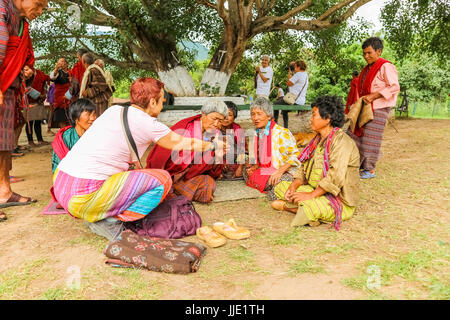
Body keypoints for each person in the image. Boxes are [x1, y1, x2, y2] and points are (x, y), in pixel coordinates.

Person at [52, 78, 226, 235]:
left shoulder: (113, 111)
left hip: (61, 184)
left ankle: (101, 211)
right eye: (161, 101)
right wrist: (213, 145)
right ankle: (111, 220)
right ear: (152, 102)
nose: (163, 105)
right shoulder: (148, 123)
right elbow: (184, 143)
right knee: (163, 179)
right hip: (83, 196)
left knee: (140, 174)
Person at [271, 96, 360, 230]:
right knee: (280, 187)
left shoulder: (342, 142)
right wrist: (294, 186)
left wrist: (310, 196)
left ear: (327, 118)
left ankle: (289, 207)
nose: (310, 119)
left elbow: (335, 177)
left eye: (314, 115)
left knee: (309, 209)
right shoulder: (317, 140)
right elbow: (303, 169)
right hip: (315, 190)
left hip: (337, 198)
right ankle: (300, 203)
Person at [0, 0, 48, 221]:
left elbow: (20, 57)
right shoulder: (2, 8)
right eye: (38, 5)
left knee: (4, 143)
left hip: (9, 87)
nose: (39, 12)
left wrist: (25, 70)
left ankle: (4, 191)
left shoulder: (22, 22)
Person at [146, 99, 229, 203]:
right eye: (214, 118)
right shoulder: (187, 129)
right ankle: (170, 188)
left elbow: (209, 170)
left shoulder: (216, 134)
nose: (216, 124)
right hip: (174, 173)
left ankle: (176, 191)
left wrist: (217, 157)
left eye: (220, 121)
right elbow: (177, 164)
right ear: (203, 114)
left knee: (208, 186)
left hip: (190, 174)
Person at [346, 37, 400, 179]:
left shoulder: (386, 66)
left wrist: (374, 96)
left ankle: (369, 169)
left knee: (371, 138)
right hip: (365, 107)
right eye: (364, 53)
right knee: (354, 133)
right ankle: (356, 163)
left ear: (378, 51)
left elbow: (394, 87)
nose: (366, 56)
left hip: (379, 107)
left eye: (369, 53)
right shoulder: (365, 70)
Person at [243, 97, 300, 201]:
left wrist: (279, 171)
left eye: (259, 114)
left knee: (280, 180)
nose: (255, 118)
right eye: (253, 114)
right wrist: (255, 166)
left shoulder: (282, 133)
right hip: (266, 170)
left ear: (269, 116)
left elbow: (295, 156)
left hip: (282, 171)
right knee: (245, 170)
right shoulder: (258, 133)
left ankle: (275, 187)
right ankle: (272, 187)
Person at [51, 98, 97, 173]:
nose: (93, 118)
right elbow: (57, 166)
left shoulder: (97, 135)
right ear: (76, 118)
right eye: (88, 114)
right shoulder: (65, 138)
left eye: (94, 114)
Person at [274, 60, 309, 129]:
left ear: (299, 67)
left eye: (295, 67)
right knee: (284, 111)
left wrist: (290, 73)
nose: (294, 68)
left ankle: (275, 125)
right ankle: (286, 128)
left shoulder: (298, 74)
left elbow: (288, 83)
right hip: (300, 101)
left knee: (275, 105)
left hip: (294, 100)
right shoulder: (305, 74)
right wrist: (295, 63)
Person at [23, 65, 50, 147]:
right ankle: (30, 141)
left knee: (38, 122)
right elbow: (24, 87)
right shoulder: (23, 73)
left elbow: (45, 83)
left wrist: (44, 93)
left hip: (38, 101)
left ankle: (40, 139)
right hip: (29, 101)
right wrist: (38, 95)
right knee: (29, 122)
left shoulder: (39, 73)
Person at [80, 52, 113, 117]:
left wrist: (87, 92)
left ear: (84, 61)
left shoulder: (93, 70)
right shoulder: (91, 70)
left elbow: (100, 86)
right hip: (95, 103)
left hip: (98, 103)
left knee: (98, 124)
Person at [219, 101, 245, 180]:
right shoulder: (214, 127)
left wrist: (240, 167)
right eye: (223, 114)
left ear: (234, 117)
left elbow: (242, 150)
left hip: (234, 161)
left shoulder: (237, 129)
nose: (226, 118)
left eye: (230, 115)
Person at [49, 57, 71, 128]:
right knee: (62, 120)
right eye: (59, 62)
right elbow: (52, 77)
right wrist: (56, 69)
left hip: (70, 99)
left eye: (62, 61)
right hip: (60, 99)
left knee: (70, 120)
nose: (61, 63)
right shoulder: (57, 72)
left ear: (67, 63)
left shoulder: (72, 72)